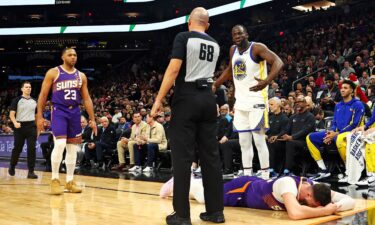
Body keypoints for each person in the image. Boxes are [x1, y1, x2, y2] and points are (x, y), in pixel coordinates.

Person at [151, 7, 224, 225]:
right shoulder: (215, 43)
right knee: (211, 157)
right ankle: (215, 212)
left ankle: (182, 215)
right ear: (207, 25)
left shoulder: (183, 37)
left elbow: (174, 69)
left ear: (189, 22)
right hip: (208, 100)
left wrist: (158, 99)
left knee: (182, 157)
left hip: (187, 98)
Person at [213, 24, 284, 179]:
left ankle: (265, 176)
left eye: (239, 33)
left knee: (258, 140)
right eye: (234, 34)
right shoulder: (233, 50)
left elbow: (278, 62)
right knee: (244, 142)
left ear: (246, 34)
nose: (237, 36)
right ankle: (246, 176)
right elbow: (230, 70)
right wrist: (215, 85)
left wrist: (266, 81)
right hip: (241, 102)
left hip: (257, 100)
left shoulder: (257, 48)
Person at [36, 47, 97, 195]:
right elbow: (43, 95)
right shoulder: (53, 72)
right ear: (63, 57)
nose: (73, 57)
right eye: (70, 55)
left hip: (75, 112)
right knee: (60, 144)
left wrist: (92, 119)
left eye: (75, 55)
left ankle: (70, 181)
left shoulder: (81, 76)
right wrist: (39, 116)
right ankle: (55, 180)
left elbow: (87, 98)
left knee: (72, 148)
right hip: (59, 111)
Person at [160, 175, 355, 220]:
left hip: (255, 188)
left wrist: (334, 206)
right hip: (244, 190)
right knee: (205, 199)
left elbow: (351, 201)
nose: (308, 205)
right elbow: (295, 214)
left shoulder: (317, 188)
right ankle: (182, 181)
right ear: (308, 193)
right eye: (309, 203)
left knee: (208, 195)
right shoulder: (288, 185)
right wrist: (326, 211)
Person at [307, 80, 364, 180]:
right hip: (337, 133)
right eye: (342, 87)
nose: (342, 89)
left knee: (339, 139)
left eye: (345, 88)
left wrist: (336, 134)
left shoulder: (358, 104)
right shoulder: (338, 105)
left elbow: (355, 124)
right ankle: (323, 169)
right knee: (310, 137)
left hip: (353, 133)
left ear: (352, 91)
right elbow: (335, 123)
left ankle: (349, 170)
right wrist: (331, 132)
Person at [8, 81, 38, 179]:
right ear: (22, 89)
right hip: (19, 127)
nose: (28, 88)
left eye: (30, 87)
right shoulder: (16, 100)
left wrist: (39, 128)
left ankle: (31, 171)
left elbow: (37, 116)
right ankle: (12, 166)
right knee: (17, 149)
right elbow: (11, 114)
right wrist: (15, 122)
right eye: (26, 87)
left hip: (31, 126)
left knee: (32, 149)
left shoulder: (34, 101)